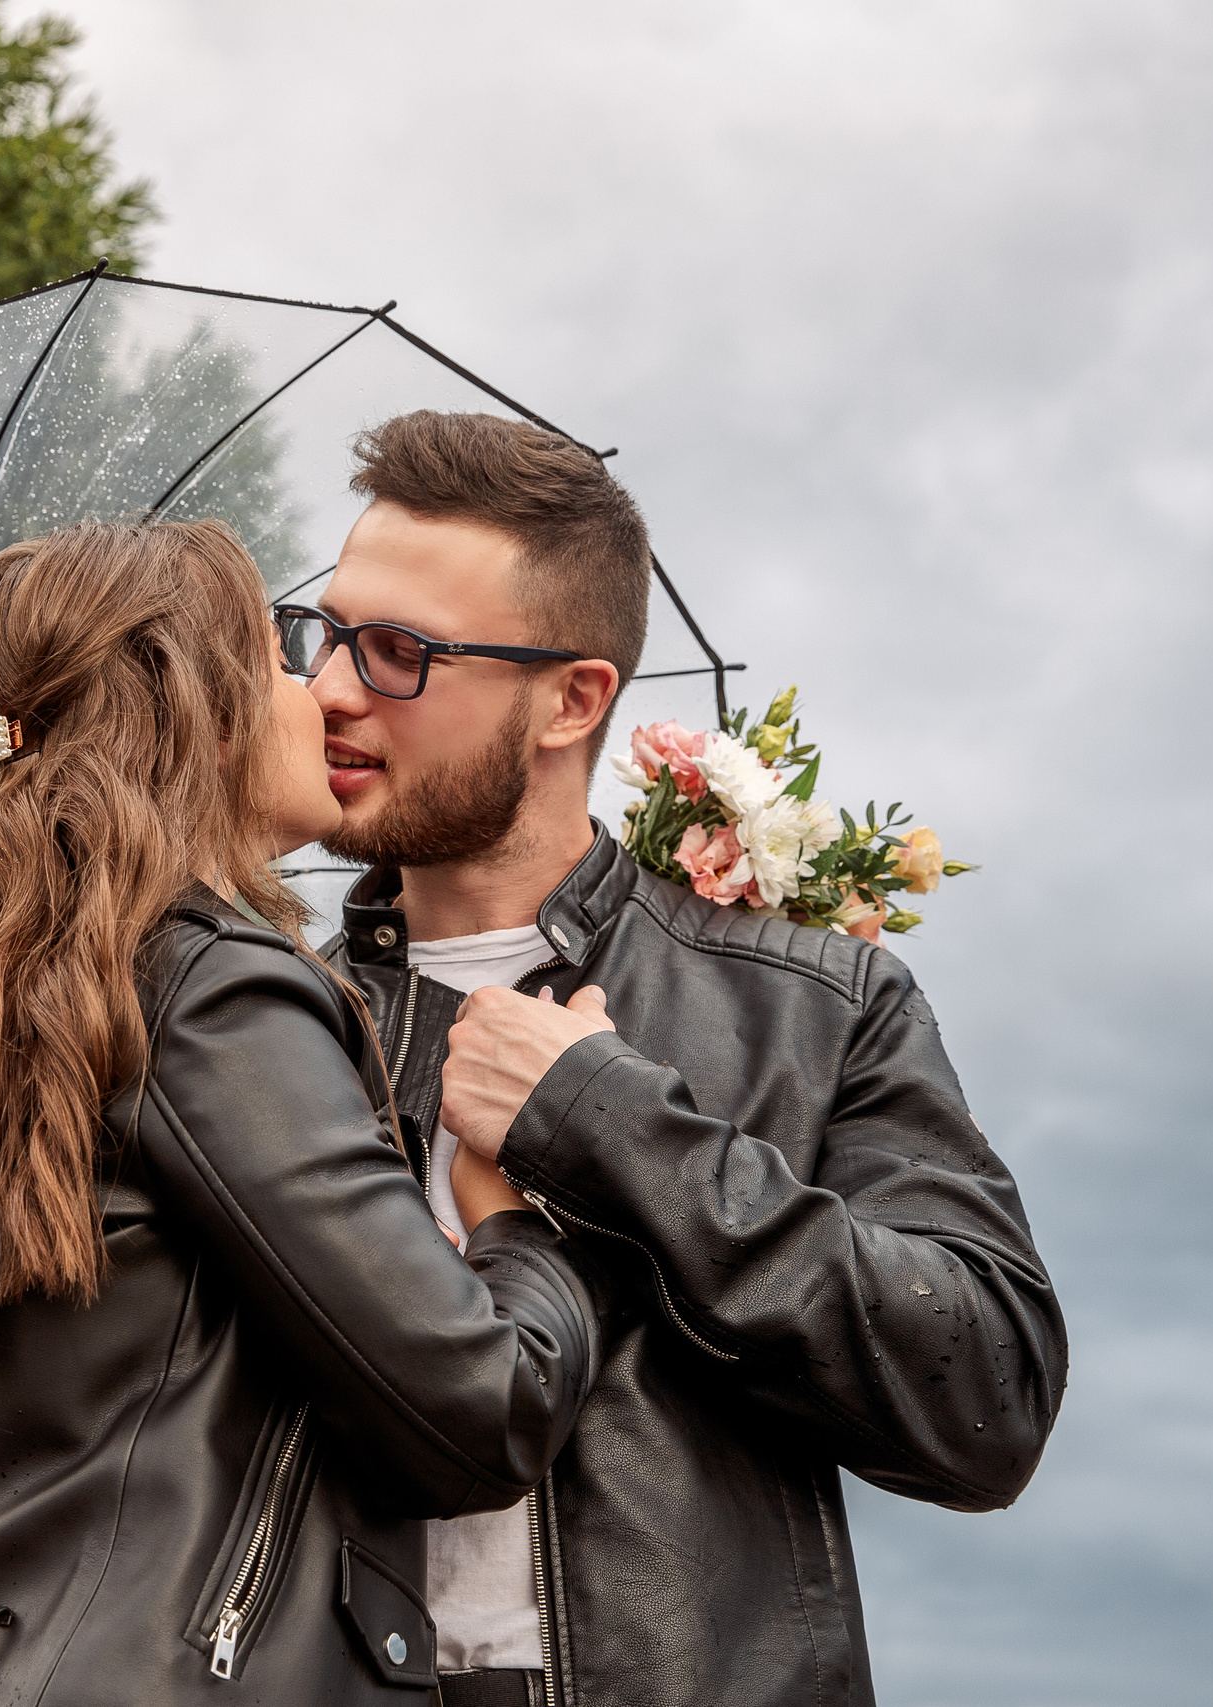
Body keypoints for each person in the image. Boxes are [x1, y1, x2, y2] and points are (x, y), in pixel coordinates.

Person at [290, 412, 1069, 1707]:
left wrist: (609, 1119)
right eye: (326, 632)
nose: (330, 688)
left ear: (574, 698)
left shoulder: (814, 1005)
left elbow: (986, 1393)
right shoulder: (269, 1023)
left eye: (400, 650)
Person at [0, 518, 603, 1706]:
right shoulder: (204, 987)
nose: (319, 696)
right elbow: (481, 1410)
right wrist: (514, 1223)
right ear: (199, 708)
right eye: (282, 658)